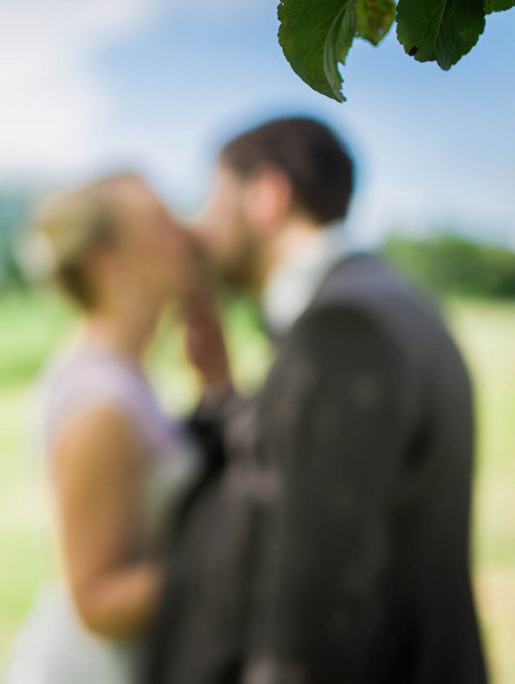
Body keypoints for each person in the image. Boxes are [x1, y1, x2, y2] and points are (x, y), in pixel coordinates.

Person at [147, 117, 488, 683]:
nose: (204, 231)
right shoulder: (392, 303)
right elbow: (301, 463)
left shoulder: (344, 331)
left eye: (214, 203)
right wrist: (221, 393)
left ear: (267, 196)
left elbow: (316, 617)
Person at [0, 172, 211, 684]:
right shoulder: (100, 403)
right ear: (107, 265)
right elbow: (95, 600)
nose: (188, 236)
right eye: (162, 226)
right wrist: (239, 565)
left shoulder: (125, 373)